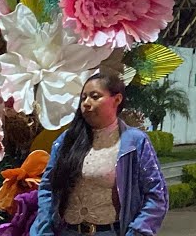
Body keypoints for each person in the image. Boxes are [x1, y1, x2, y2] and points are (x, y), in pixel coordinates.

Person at [33, 72, 168, 236]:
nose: (86, 103)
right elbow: (47, 187)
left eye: (94, 97)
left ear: (117, 100)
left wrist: (138, 231)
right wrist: (44, 228)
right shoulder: (67, 140)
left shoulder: (134, 143)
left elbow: (157, 195)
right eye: (83, 98)